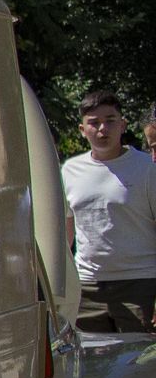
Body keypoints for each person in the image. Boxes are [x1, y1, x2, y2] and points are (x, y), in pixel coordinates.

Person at [60, 90, 156, 333]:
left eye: (110, 121)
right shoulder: (69, 171)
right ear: (82, 130)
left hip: (140, 283)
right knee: (91, 365)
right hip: (87, 287)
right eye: (93, 123)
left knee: (139, 365)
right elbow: (65, 235)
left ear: (123, 125)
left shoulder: (146, 167)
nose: (102, 129)